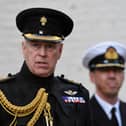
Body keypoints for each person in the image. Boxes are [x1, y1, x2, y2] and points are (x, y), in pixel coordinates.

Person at [0, 8, 90, 126]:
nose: (42, 53)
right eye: (35, 45)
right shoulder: (4, 93)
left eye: (50, 46)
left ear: (60, 51)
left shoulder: (78, 95)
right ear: (24, 48)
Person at [82, 41, 126, 126]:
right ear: (92, 76)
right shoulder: (82, 115)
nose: (112, 76)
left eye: (117, 70)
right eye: (105, 70)